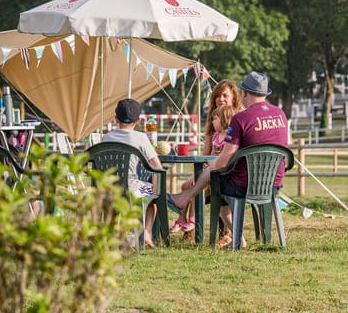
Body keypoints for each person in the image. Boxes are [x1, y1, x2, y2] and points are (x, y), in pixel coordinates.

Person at [171, 71, 289, 248]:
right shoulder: (280, 114)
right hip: (273, 183)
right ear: (265, 94)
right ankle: (189, 199)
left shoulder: (240, 118)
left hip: (244, 184)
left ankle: (236, 237)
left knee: (216, 180)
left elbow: (224, 160)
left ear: (244, 93)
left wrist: (212, 165)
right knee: (216, 174)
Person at [102, 98, 163, 248]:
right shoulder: (141, 137)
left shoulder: (106, 138)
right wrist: (156, 191)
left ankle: (114, 235)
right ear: (138, 121)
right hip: (133, 190)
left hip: (109, 190)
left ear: (116, 119)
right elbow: (157, 166)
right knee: (152, 200)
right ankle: (147, 232)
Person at [170, 104, 235, 234]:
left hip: (220, 173)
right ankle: (181, 217)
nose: (212, 122)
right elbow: (212, 154)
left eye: (215, 119)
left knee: (196, 186)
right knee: (185, 185)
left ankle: (193, 219)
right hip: (210, 168)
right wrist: (207, 163)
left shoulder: (230, 136)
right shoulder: (216, 136)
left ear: (224, 119)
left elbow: (226, 157)